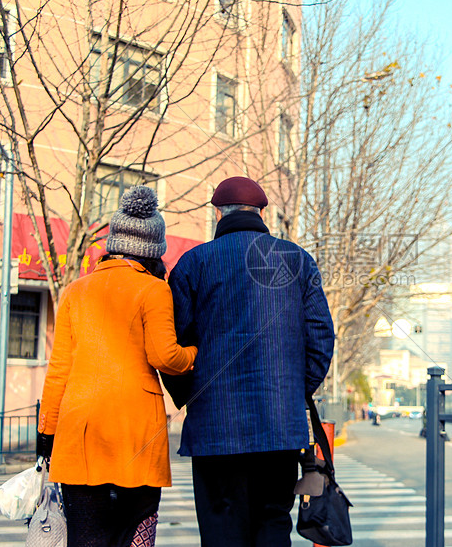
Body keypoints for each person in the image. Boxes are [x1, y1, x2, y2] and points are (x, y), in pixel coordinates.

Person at [163, 176, 334, 547]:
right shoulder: (298, 261)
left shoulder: (193, 264)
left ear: (218, 214)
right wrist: (291, 390)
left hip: (214, 431)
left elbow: (171, 345)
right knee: (273, 525)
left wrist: (191, 395)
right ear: (260, 212)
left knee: (222, 529)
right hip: (279, 428)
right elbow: (321, 339)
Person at [36, 185, 197, 547]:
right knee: (133, 534)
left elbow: (58, 370)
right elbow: (166, 357)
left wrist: (45, 436)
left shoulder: (75, 291)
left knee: (86, 538)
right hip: (135, 437)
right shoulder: (154, 290)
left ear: (112, 242)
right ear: (154, 251)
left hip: (79, 439)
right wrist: (196, 353)